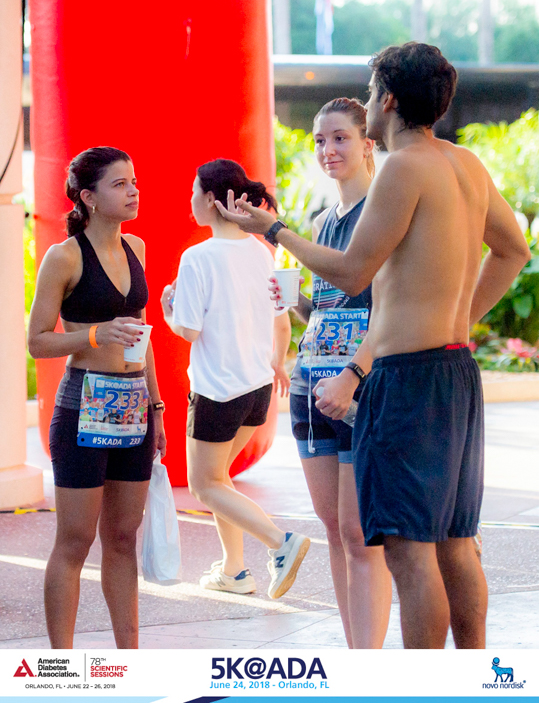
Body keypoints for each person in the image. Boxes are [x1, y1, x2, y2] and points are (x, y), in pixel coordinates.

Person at [215, 43, 531, 648]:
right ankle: (471, 677)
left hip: (408, 377)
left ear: (387, 99)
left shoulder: (403, 168)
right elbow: (513, 250)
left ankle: (422, 686)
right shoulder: (464, 163)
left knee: (410, 551)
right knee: (455, 541)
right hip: (455, 370)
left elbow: (353, 271)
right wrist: (460, 318)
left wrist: (274, 230)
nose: (367, 103)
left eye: (369, 92)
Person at [28, 146, 166, 649]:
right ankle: (61, 667)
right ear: (88, 197)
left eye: (134, 181)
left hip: (133, 407)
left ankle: (130, 659)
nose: (133, 191)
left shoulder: (138, 248)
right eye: (120, 184)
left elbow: (142, 336)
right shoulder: (64, 256)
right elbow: (37, 340)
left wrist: (157, 406)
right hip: (83, 403)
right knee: (75, 541)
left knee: (123, 538)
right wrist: (92, 334)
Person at [270, 98, 392, 649]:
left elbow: (390, 310)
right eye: (320, 140)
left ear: (368, 144)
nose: (328, 150)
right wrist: (292, 300)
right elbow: (327, 311)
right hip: (310, 388)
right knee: (336, 532)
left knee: (359, 534)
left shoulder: (383, 212)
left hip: (359, 390)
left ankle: (368, 666)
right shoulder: (323, 221)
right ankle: (352, 654)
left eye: (340, 138)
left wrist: (355, 376)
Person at [160, 159, 310, 599]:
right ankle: (234, 571)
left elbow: (188, 330)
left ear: (210, 199)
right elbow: (280, 320)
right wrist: (277, 362)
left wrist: (169, 310)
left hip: (217, 392)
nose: (190, 200)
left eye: (193, 192)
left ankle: (281, 542)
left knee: (205, 485)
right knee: (220, 479)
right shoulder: (261, 252)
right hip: (257, 389)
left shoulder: (197, 257)